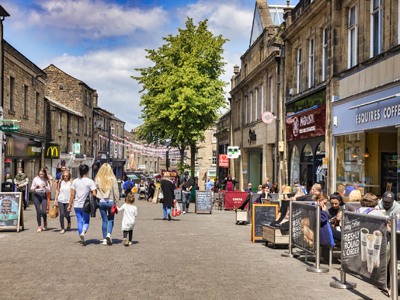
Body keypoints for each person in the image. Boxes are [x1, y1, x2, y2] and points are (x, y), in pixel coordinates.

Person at [67, 165, 97, 246]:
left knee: (79, 221)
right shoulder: (90, 181)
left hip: (77, 204)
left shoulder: (75, 181)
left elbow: (72, 194)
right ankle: (83, 233)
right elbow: (94, 194)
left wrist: (69, 205)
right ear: (87, 172)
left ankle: (81, 236)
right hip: (86, 205)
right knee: (86, 221)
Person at [95, 163, 120, 246]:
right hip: (110, 201)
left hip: (101, 201)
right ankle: (109, 234)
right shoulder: (113, 178)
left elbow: (95, 189)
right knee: (111, 219)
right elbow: (116, 190)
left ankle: (104, 239)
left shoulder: (98, 178)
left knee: (104, 220)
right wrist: (117, 201)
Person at [31, 168, 51, 232]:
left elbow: (48, 190)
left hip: (43, 195)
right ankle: (39, 226)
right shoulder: (35, 179)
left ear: (44, 173)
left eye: (42, 174)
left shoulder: (46, 179)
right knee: (38, 211)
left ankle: (45, 222)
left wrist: (45, 186)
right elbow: (31, 188)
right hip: (37, 195)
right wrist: (35, 187)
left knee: (44, 211)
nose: (41, 175)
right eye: (40, 174)